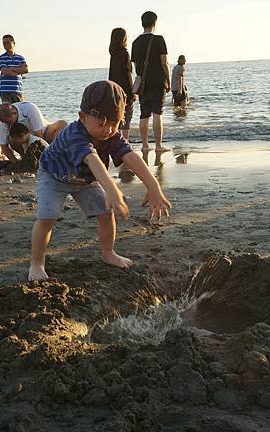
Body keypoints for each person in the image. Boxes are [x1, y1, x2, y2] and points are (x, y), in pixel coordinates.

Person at [28, 80, 171, 281]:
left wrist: (153, 186)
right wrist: (112, 189)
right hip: (54, 175)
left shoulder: (112, 135)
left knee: (105, 213)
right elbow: (92, 160)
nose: (108, 130)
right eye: (102, 124)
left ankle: (108, 253)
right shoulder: (74, 134)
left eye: (115, 124)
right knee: (47, 217)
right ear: (83, 117)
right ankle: (36, 264)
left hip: (85, 179)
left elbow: (131, 156)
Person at [131, 11, 171, 152]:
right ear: (155, 22)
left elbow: (136, 67)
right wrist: (168, 80)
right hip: (158, 81)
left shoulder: (135, 42)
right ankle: (159, 146)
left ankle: (145, 145)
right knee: (157, 113)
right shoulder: (159, 39)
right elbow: (164, 63)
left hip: (143, 83)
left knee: (144, 113)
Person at [0, 102, 67, 162]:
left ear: (15, 113)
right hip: (23, 141)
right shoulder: (5, 121)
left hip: (44, 133)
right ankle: (25, 158)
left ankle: (57, 156)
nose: (8, 124)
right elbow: (4, 146)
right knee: (11, 139)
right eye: (4, 122)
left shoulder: (30, 108)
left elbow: (39, 135)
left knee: (62, 124)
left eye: (9, 122)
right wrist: (16, 162)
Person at [108, 27, 136, 141]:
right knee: (126, 120)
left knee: (117, 119)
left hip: (114, 90)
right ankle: (125, 144)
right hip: (125, 91)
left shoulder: (113, 54)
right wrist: (132, 93)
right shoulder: (124, 53)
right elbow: (127, 74)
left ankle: (115, 143)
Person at [0, 34, 28, 103]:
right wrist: (19, 70)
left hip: (18, 91)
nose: (5, 45)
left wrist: (11, 68)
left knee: (19, 112)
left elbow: (25, 70)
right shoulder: (1, 58)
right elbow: (5, 72)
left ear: (13, 43)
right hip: (6, 92)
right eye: (4, 43)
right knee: (7, 113)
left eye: (8, 42)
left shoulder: (20, 58)